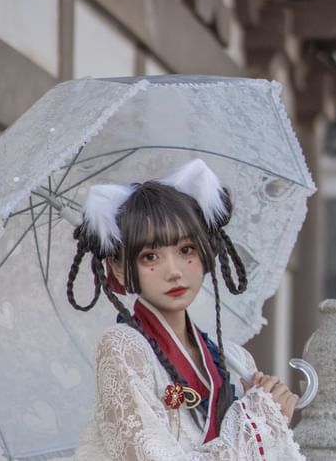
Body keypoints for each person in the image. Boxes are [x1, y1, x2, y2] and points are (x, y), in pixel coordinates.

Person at [67, 159, 305, 461]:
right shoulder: (124, 348)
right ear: (118, 267)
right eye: (150, 256)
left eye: (186, 250)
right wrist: (257, 423)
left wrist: (273, 415)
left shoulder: (234, 361)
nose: (174, 271)